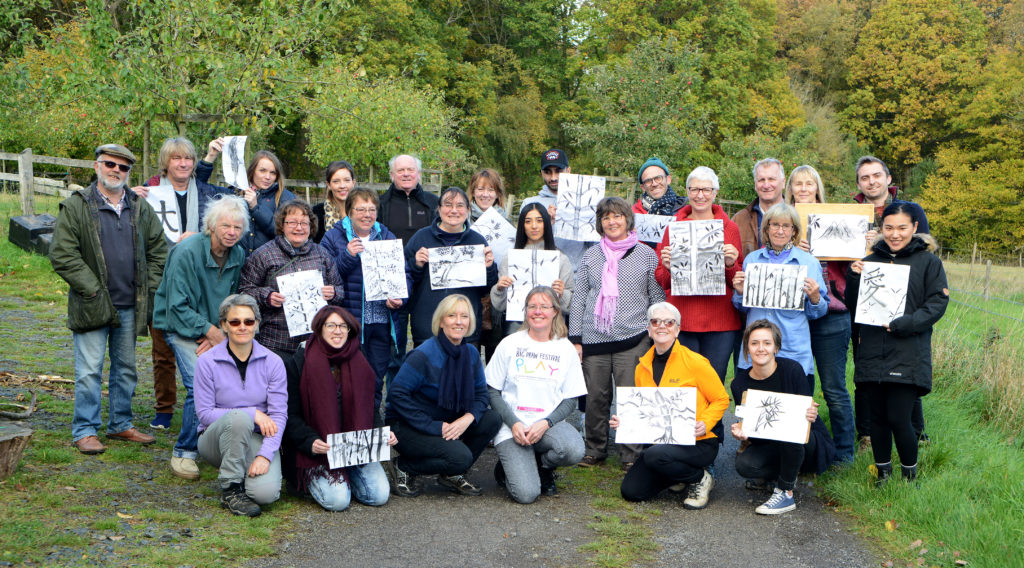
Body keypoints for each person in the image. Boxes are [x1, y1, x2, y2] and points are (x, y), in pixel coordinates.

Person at [50, 143, 167, 454]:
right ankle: (85, 430)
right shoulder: (76, 206)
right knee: (89, 370)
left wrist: (148, 286)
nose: (116, 171)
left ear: (129, 172)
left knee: (126, 367)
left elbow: (159, 251)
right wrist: (92, 289)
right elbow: (62, 254)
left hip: (130, 304)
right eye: (109, 164)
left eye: (123, 167)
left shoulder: (140, 207)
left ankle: (120, 424)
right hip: (92, 302)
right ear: (97, 166)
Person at [131, 137, 233, 430]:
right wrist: (130, 198)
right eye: (176, 159)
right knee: (162, 349)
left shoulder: (202, 192)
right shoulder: (151, 190)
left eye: (187, 158)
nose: (183, 163)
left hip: (197, 277)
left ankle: (206, 403)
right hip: (160, 275)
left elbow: (225, 201)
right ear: (166, 162)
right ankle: (164, 407)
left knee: (199, 343)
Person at [846, 203, 948, 484]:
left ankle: (909, 476)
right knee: (877, 418)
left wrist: (906, 323)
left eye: (902, 227)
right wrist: (854, 278)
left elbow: (937, 303)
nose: (895, 234)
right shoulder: (870, 259)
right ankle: (883, 473)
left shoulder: (929, 262)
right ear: (881, 229)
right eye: (888, 228)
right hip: (871, 350)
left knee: (899, 418)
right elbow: (854, 306)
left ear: (915, 228)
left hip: (907, 351)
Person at [153, 195, 248, 480]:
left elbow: (231, 301)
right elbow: (177, 306)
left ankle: (214, 444)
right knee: (200, 384)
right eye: (226, 226)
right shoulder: (185, 252)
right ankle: (184, 453)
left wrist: (218, 333)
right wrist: (212, 332)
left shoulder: (238, 255)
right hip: (179, 325)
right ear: (210, 226)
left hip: (213, 329)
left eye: (237, 227)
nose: (232, 232)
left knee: (231, 384)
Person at [569, 197, 665, 470]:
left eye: (617, 216)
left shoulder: (647, 254)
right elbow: (579, 299)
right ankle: (594, 449)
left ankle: (630, 454)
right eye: (606, 217)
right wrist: (576, 339)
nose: (612, 221)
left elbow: (655, 297)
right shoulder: (591, 255)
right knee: (595, 398)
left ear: (628, 219)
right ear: (600, 223)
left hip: (633, 339)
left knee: (630, 397)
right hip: (594, 338)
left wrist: (654, 334)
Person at [613, 303, 729, 508]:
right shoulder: (642, 367)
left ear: (677, 329)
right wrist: (626, 421)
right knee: (632, 491)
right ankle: (677, 475)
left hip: (699, 441)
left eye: (669, 322)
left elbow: (721, 399)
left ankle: (699, 478)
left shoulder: (696, 362)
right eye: (655, 321)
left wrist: (706, 422)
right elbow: (646, 410)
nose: (661, 326)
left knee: (655, 456)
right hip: (663, 443)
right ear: (648, 329)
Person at [385, 295, 502, 497]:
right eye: (452, 315)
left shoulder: (471, 354)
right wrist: (435, 427)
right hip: (409, 426)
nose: (459, 321)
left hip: (448, 421)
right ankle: (404, 466)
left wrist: (467, 419)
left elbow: (481, 395)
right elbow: (397, 395)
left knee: (492, 419)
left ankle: (451, 474)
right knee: (460, 457)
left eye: (464, 316)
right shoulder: (424, 355)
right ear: (441, 321)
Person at [850, 155, 931, 446]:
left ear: (888, 178)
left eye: (876, 175)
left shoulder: (910, 209)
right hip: (867, 300)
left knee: (906, 368)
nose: (871, 181)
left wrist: (881, 243)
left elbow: (923, 247)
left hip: (906, 302)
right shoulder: (851, 212)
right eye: (864, 177)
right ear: (858, 183)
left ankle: (916, 433)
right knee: (866, 368)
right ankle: (868, 434)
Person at [283, 306, 396, 511]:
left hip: (354, 447)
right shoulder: (300, 361)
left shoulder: (358, 358)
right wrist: (310, 441)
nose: (338, 331)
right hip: (318, 449)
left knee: (379, 495)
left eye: (343, 326)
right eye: (331, 325)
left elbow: (369, 406)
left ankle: (348, 474)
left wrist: (381, 434)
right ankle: (311, 480)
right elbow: (290, 415)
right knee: (338, 502)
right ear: (319, 328)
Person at [485, 286, 587, 503]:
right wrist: (513, 423)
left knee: (573, 449)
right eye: (532, 306)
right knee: (526, 495)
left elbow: (571, 398)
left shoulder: (565, 348)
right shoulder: (510, 344)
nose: (537, 311)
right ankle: (506, 467)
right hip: (514, 427)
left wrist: (546, 423)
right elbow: (492, 390)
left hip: (547, 426)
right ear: (526, 311)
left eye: (544, 306)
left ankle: (543, 466)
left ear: (555, 312)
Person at [785, 165, 856, 463]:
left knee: (833, 388)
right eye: (797, 184)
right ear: (790, 189)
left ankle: (844, 455)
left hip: (832, 315)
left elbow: (852, 263)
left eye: (809, 184)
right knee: (797, 388)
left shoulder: (836, 218)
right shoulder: (783, 220)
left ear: (817, 189)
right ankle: (801, 451)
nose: (803, 188)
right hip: (793, 316)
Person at [729, 320, 836, 515]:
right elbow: (756, 435)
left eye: (767, 343)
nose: (761, 348)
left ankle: (785, 491)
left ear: (776, 347)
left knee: (791, 429)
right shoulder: (739, 384)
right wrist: (745, 433)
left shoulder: (792, 370)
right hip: (773, 444)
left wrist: (810, 414)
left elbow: (805, 417)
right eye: (754, 343)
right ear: (747, 348)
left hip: (808, 442)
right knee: (744, 465)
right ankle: (785, 473)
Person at [194, 294, 287, 517]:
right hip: (215, 438)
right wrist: (252, 412)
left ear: (257, 324)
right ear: (224, 326)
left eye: (248, 321)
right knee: (239, 419)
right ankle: (230, 490)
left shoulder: (273, 362)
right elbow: (205, 414)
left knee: (265, 495)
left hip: (256, 437)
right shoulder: (206, 362)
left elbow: (279, 415)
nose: (242, 327)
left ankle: (247, 472)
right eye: (234, 322)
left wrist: (265, 455)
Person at [654, 166, 742, 382]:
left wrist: (730, 264)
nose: (700, 195)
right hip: (682, 320)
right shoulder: (673, 228)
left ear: (715, 192)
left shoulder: (730, 229)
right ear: (687, 191)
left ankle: (713, 419)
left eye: (706, 189)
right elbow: (663, 281)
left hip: (720, 323)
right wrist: (666, 266)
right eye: (694, 189)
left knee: (713, 384)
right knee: (684, 386)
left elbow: (738, 282)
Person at [731, 203, 829, 393]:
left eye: (786, 226)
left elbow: (819, 312)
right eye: (774, 225)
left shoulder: (809, 262)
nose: (780, 230)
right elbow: (742, 308)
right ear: (766, 228)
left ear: (794, 230)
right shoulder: (752, 260)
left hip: (793, 347)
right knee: (754, 411)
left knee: (795, 411)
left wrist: (816, 298)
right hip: (757, 350)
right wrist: (741, 292)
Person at [321, 188, 410, 391]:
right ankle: (350, 422)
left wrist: (399, 298)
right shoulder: (333, 238)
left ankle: (372, 419)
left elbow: (404, 275)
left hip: (380, 319)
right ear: (349, 211)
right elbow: (326, 278)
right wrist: (347, 256)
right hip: (349, 320)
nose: (367, 215)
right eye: (360, 209)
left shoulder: (387, 236)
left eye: (371, 209)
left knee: (376, 378)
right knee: (347, 378)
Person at [238, 199, 343, 358]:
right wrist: (266, 296)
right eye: (292, 222)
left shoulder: (322, 254)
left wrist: (333, 293)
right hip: (274, 342)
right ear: (282, 225)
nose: (299, 228)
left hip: (314, 342)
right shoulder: (263, 255)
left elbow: (340, 290)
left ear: (311, 226)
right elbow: (244, 291)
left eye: (304, 223)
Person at [405, 187, 498, 347]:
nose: (454, 210)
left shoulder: (477, 241)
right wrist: (417, 264)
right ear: (439, 209)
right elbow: (405, 280)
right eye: (448, 205)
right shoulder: (421, 238)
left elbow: (487, 289)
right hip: (427, 328)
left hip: (465, 331)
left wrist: (489, 268)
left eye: (460, 205)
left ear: (468, 210)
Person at [376, 154, 440, 384]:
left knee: (428, 342)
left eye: (410, 170)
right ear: (392, 175)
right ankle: (395, 401)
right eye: (400, 170)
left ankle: (425, 393)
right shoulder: (380, 204)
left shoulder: (434, 203)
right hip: (395, 285)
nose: (406, 174)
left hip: (428, 284)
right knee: (396, 349)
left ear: (419, 174)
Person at [196, 144, 296, 256]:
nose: (268, 177)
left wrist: (256, 208)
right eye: (262, 171)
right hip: (236, 263)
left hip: (270, 264)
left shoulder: (285, 198)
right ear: (253, 171)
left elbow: (286, 232)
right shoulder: (236, 193)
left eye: (272, 173)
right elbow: (200, 186)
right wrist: (210, 156)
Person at [490, 203, 574, 335]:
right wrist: (499, 288)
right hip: (517, 328)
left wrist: (562, 293)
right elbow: (499, 306)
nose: (534, 226)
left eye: (539, 221)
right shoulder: (510, 258)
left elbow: (571, 306)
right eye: (528, 221)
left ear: (546, 223)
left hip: (551, 330)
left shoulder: (561, 258)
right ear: (522, 225)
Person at [520, 148, 586, 270]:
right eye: (548, 172)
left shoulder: (585, 201)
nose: (553, 177)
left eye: (558, 171)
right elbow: (521, 243)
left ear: (569, 170)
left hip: (576, 275)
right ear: (541, 173)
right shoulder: (530, 204)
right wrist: (545, 223)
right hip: (541, 272)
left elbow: (595, 243)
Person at [733, 158, 786, 258]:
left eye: (771, 179)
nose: (766, 185)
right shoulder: (739, 220)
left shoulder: (798, 216)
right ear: (755, 184)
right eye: (761, 180)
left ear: (783, 182)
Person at [312, 161, 355, 243]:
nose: (342, 186)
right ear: (329, 185)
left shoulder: (365, 211)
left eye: (347, 180)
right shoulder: (316, 214)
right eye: (336, 181)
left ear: (353, 183)